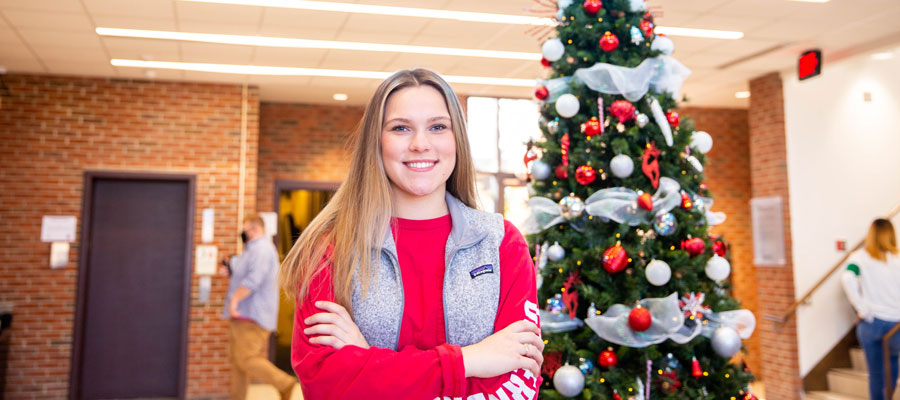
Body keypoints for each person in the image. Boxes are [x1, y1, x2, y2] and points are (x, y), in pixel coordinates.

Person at [279, 68, 544, 399]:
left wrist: (367, 363)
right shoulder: (332, 248)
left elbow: (518, 381)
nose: (420, 144)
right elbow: (326, 386)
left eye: (437, 127)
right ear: (376, 141)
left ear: (456, 139)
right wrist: (467, 361)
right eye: (401, 128)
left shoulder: (501, 244)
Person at [220, 214, 296, 400]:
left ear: (255, 229)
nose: (243, 234)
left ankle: (284, 382)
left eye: (245, 230)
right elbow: (244, 272)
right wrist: (230, 268)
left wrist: (234, 301)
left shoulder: (262, 249)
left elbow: (254, 280)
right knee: (238, 362)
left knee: (246, 360)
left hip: (252, 316)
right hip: (243, 315)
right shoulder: (251, 250)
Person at [841, 218, 900, 400]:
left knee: (876, 374)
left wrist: (862, 309)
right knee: (892, 366)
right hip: (896, 325)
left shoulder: (859, 258)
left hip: (871, 323)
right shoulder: (898, 258)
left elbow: (847, 278)